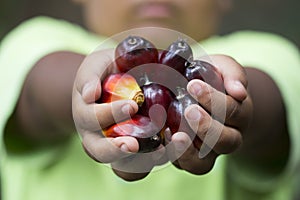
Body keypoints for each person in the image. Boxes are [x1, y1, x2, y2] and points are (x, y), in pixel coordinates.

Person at [0, 0, 299, 199]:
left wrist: (231, 100)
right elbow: (39, 94)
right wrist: (88, 88)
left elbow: (264, 104)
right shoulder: (38, 39)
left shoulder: (265, 52)